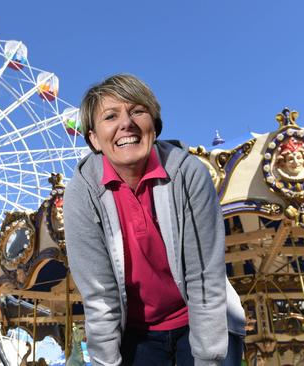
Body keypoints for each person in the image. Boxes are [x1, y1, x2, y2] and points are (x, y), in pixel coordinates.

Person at [64, 74, 246, 366]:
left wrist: (208, 358)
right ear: (94, 139)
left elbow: (204, 276)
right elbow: (99, 295)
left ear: (154, 125)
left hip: (202, 319)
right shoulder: (82, 193)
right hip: (137, 334)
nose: (127, 123)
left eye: (137, 111)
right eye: (111, 116)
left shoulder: (188, 173)